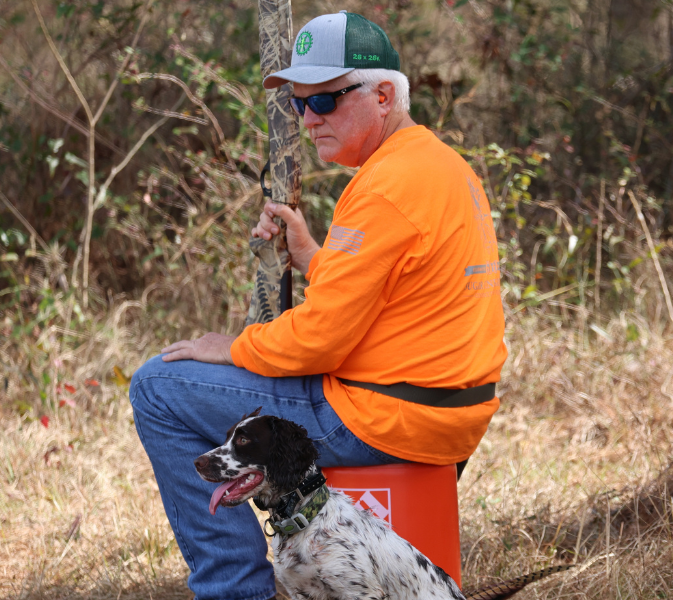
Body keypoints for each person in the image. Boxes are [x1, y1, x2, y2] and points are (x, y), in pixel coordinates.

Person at [127, 11, 506, 600]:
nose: (308, 120)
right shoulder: (438, 167)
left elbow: (319, 341)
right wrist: (310, 254)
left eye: (325, 102)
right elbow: (390, 290)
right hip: (445, 412)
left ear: (383, 95)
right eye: (301, 105)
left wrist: (230, 348)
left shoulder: (383, 187)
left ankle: (234, 590)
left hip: (386, 417)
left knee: (157, 386)